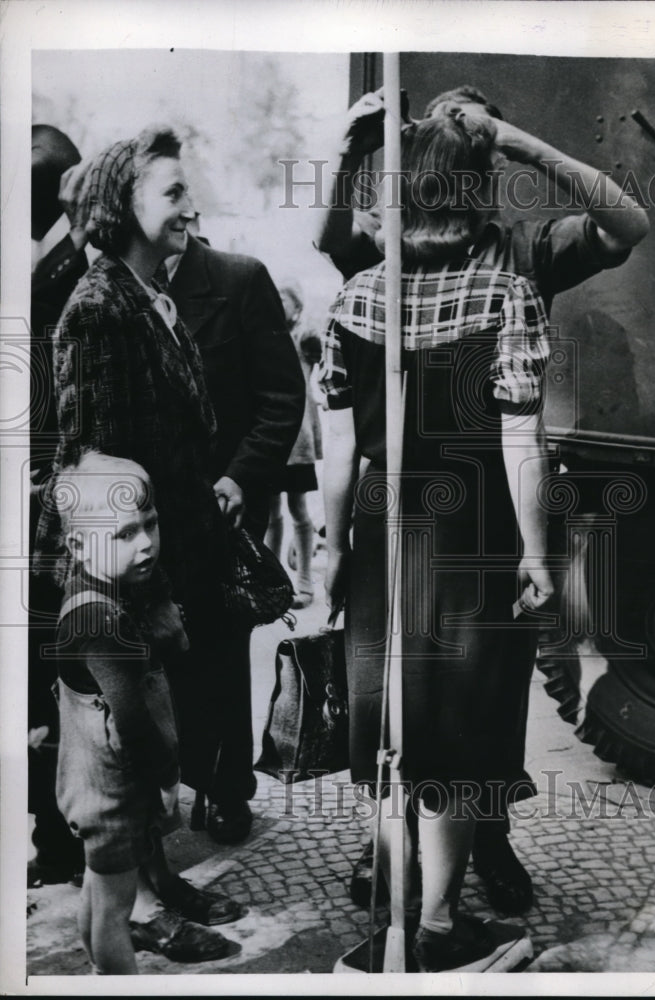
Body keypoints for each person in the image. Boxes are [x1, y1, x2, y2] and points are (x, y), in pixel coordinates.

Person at [316, 84, 649, 917]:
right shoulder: (463, 289)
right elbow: (515, 440)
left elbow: (627, 222)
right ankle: (425, 900)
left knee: (433, 705)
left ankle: (450, 867)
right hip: (461, 520)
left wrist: (517, 136)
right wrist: (354, 150)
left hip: (432, 516)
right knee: (438, 707)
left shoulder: (516, 254)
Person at [321, 107, 553, 972]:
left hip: (384, 529)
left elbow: (338, 444)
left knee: (390, 727)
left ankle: (392, 908)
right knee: (464, 732)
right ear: (472, 195)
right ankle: (438, 923)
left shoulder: (353, 295)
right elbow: (518, 439)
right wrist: (535, 554)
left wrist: (334, 548)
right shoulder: (504, 294)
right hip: (476, 532)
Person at [33, 126, 245, 957]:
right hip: (116, 580)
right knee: (125, 751)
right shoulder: (98, 310)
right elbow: (95, 475)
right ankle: (134, 923)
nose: (191, 207)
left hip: (158, 560)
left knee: (145, 749)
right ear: (120, 208)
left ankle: (149, 897)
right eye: (171, 195)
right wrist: (145, 603)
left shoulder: (145, 294)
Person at [51, 451, 226, 974]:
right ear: (80, 545)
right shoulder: (100, 620)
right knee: (114, 911)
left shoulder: (101, 591)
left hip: (96, 787)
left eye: (150, 525)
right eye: (125, 533)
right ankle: (116, 978)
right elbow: (130, 721)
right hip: (114, 794)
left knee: (99, 897)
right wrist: (165, 778)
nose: (147, 542)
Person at [164, 229, 305, 839]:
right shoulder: (113, 290)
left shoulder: (238, 278)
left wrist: (242, 479)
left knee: (218, 654)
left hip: (221, 514)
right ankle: (163, 786)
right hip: (146, 513)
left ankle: (224, 787)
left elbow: (280, 397)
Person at [28, 125, 90, 888]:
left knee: (54, 665)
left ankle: (61, 830)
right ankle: (56, 828)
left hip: (49, 497)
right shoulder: (64, 262)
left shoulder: (69, 267)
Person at [264, 281, 322, 610]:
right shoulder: (264, 335)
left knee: (298, 509)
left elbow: (316, 341)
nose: (279, 306)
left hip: (297, 439)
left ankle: (303, 579)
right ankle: (271, 581)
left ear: (296, 307)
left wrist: (307, 320)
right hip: (271, 437)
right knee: (271, 511)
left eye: (285, 301)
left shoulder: (301, 339)